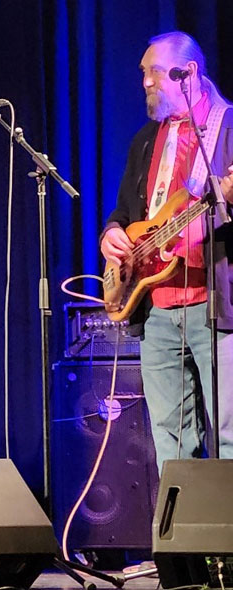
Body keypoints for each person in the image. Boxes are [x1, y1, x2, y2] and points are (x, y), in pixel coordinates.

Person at [101, 31, 233, 476]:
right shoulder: (145, 139)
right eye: (144, 72)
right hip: (157, 308)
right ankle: (182, 525)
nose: (145, 82)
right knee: (170, 442)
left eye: (155, 72)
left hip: (216, 307)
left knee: (230, 434)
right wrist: (111, 234)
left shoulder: (228, 128)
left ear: (188, 72)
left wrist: (213, 219)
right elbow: (125, 211)